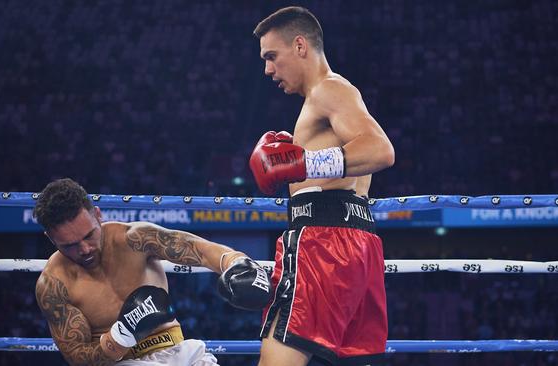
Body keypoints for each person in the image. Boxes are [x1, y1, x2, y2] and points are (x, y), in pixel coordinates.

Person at [249, 6, 395, 366]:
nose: (268, 70)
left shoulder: (328, 90)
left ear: (300, 46)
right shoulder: (331, 95)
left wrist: (303, 163)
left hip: (322, 243)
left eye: (272, 56)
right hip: (355, 242)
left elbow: (381, 149)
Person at [33, 178, 271, 365]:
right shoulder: (54, 285)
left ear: (97, 214)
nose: (84, 249)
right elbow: (78, 357)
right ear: (51, 239)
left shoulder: (134, 239)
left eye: (89, 235)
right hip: (122, 363)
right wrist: (119, 338)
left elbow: (199, 249)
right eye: (69, 245)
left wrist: (236, 263)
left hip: (180, 352)